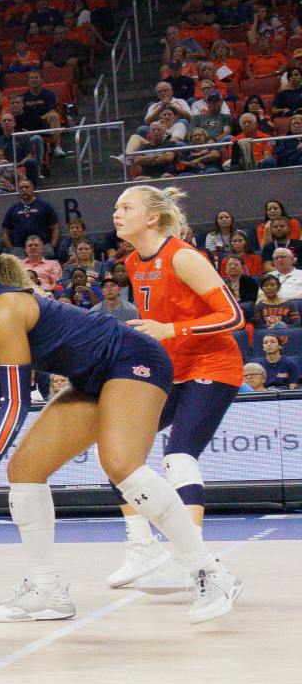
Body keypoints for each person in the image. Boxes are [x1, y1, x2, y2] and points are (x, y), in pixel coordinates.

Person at [0, 236, 241, 625]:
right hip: (92, 377)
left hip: (133, 357)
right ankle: (47, 591)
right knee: (25, 471)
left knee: (122, 464)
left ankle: (210, 571)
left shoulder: (5, 306)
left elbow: (17, 401)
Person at [110, 185, 246, 594]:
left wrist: (173, 329)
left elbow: (234, 315)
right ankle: (141, 546)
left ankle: (194, 562)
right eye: (117, 207)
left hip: (213, 365)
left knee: (179, 453)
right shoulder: (133, 262)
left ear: (151, 218)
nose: (116, 213)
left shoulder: (183, 256)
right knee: (117, 446)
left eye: (126, 207)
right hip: (173, 369)